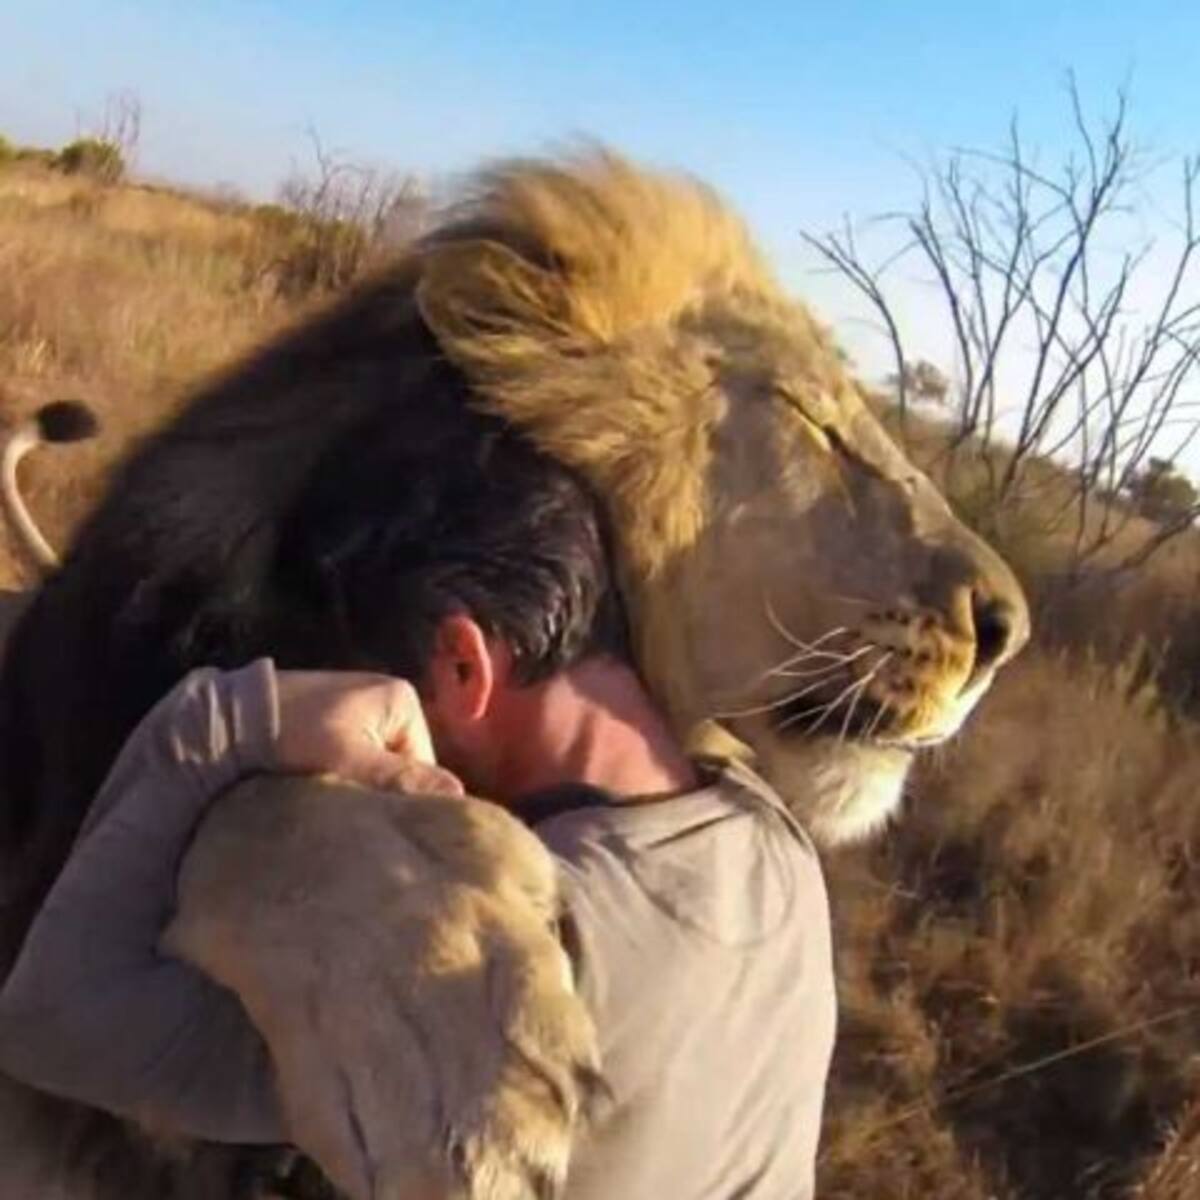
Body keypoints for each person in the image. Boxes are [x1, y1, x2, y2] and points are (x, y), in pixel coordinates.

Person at [0, 404, 837, 1199]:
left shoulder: (482, 966)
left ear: (462, 665)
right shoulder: (776, 844)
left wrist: (228, 718)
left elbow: (53, 1020)